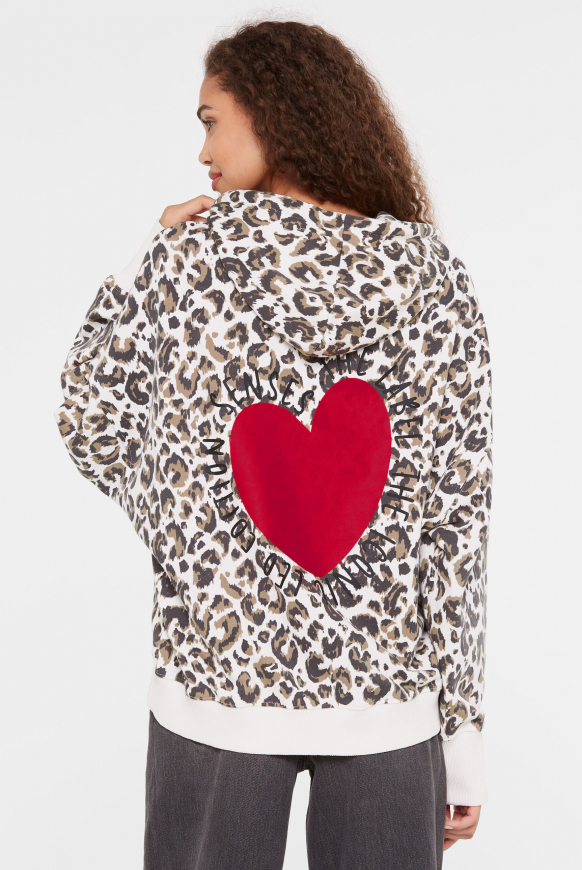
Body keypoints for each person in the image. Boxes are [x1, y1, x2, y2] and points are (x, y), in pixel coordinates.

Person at [54, 18, 491, 870]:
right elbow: (456, 514)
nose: (202, 150)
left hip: (217, 684)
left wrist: (187, 531)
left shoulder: (191, 257)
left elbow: (90, 417)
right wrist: (463, 731)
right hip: (389, 699)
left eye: (211, 121)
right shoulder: (432, 275)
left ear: (271, 112)